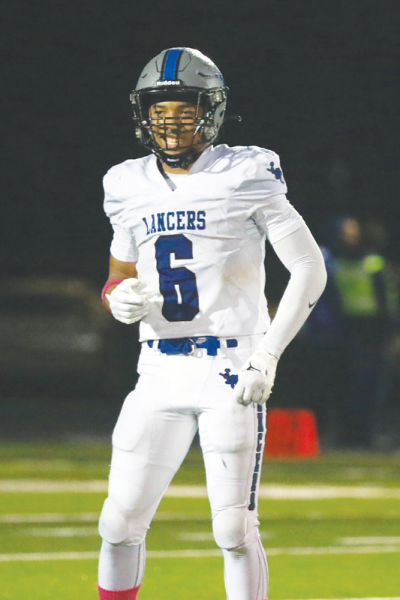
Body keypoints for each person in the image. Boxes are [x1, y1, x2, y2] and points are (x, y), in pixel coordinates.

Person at [97, 47, 327, 600]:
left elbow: (308, 268)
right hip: (156, 369)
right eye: (159, 111)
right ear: (142, 114)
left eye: (182, 109)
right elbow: (116, 275)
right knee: (117, 523)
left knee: (232, 528)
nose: (170, 122)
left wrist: (266, 354)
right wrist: (116, 297)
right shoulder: (125, 183)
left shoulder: (245, 169)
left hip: (230, 367)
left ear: (211, 111)